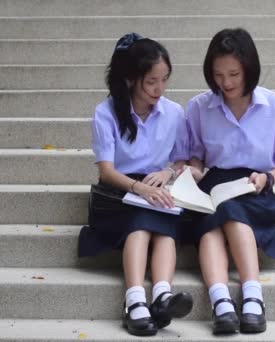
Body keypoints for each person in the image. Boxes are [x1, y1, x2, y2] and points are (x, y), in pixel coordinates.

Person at [184, 28, 275, 335]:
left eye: (234, 73)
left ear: (249, 68)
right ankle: (221, 302)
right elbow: (196, 157)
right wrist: (193, 171)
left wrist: (268, 178)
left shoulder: (274, 106)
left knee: (232, 218)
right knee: (210, 228)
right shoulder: (199, 107)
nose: (226, 83)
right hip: (214, 185)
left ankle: (252, 295)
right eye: (218, 74)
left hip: (255, 185)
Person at [78, 33, 193, 336]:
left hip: (159, 191)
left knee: (166, 229)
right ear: (131, 79)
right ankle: (134, 301)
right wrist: (140, 188)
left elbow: (183, 160)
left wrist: (168, 172)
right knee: (142, 226)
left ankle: (162, 298)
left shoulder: (174, 113)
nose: (160, 88)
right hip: (121, 193)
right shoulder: (106, 113)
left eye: (165, 79)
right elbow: (106, 171)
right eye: (152, 81)